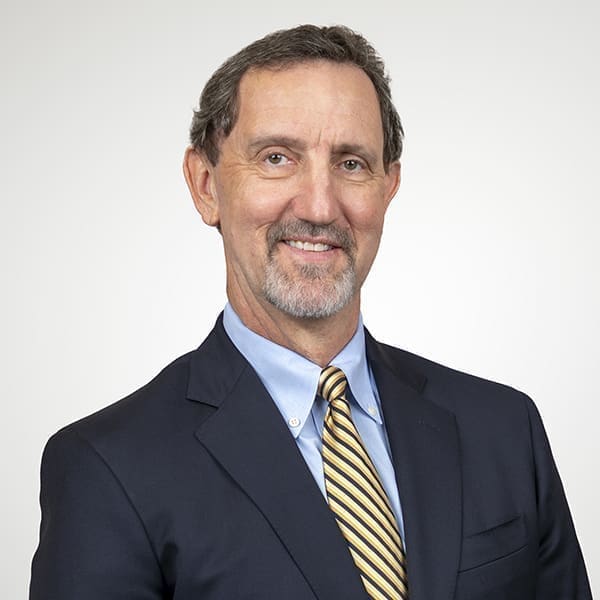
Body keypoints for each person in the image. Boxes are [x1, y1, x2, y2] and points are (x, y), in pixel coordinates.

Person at [30, 24, 592, 600]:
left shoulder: (505, 431)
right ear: (205, 185)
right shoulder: (108, 469)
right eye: (277, 158)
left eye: (351, 163)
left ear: (389, 186)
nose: (320, 207)